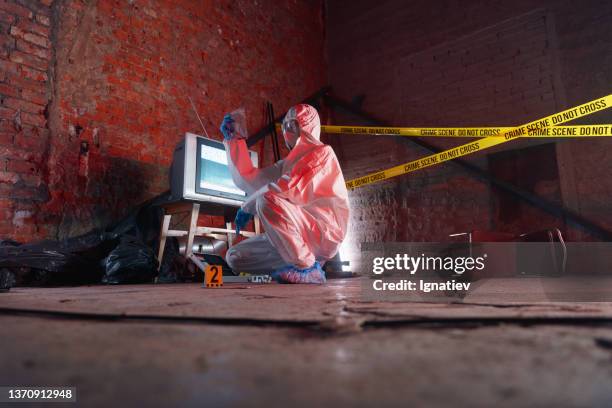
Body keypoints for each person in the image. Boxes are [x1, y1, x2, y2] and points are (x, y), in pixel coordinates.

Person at [220, 104, 349, 284]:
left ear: (306, 127)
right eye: (286, 125)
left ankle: (307, 268)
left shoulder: (322, 153)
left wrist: (247, 206)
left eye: (292, 125)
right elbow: (252, 179)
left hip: (322, 232)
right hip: (298, 236)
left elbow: (283, 188)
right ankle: (298, 262)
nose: (287, 131)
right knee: (235, 256)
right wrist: (235, 140)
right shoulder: (287, 164)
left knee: (266, 199)